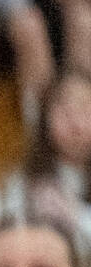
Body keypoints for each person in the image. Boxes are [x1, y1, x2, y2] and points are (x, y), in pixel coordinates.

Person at [11, 70, 91, 255]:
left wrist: (76, 215)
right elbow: (11, 229)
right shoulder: (26, 175)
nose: (75, 123)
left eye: (85, 111)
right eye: (65, 112)